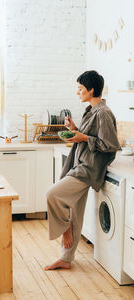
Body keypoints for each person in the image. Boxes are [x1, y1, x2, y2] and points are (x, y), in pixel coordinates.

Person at [44, 70, 120, 270]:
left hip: (88, 169)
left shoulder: (103, 113)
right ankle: (66, 259)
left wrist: (83, 138)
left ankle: (65, 227)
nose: (77, 92)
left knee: (52, 194)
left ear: (91, 89)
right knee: (76, 212)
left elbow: (110, 145)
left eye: (80, 89)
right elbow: (88, 136)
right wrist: (75, 129)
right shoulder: (91, 110)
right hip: (80, 163)